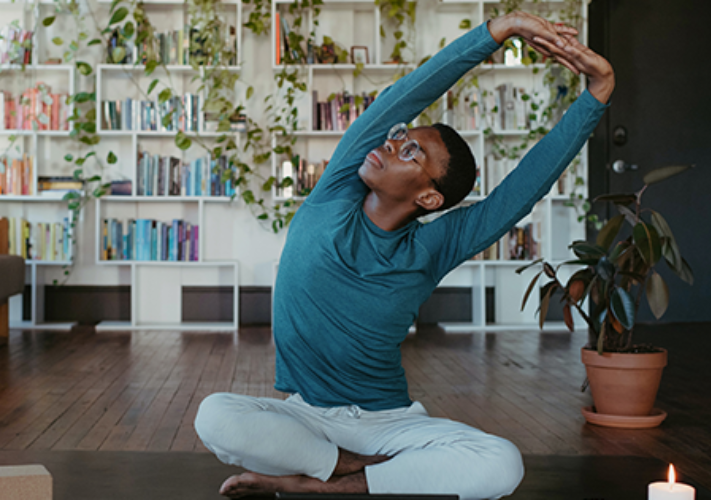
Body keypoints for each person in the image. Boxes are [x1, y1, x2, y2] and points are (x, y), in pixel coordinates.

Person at [194, 11, 613, 500]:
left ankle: (324, 486)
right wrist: (500, 29)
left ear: (431, 199)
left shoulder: (431, 247)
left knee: (502, 464)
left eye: (411, 153)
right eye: (400, 137)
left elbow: (517, 194)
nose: (392, 145)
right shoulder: (333, 193)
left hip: (386, 424)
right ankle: (348, 469)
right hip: (302, 414)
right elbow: (409, 92)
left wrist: (598, 92)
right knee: (215, 416)